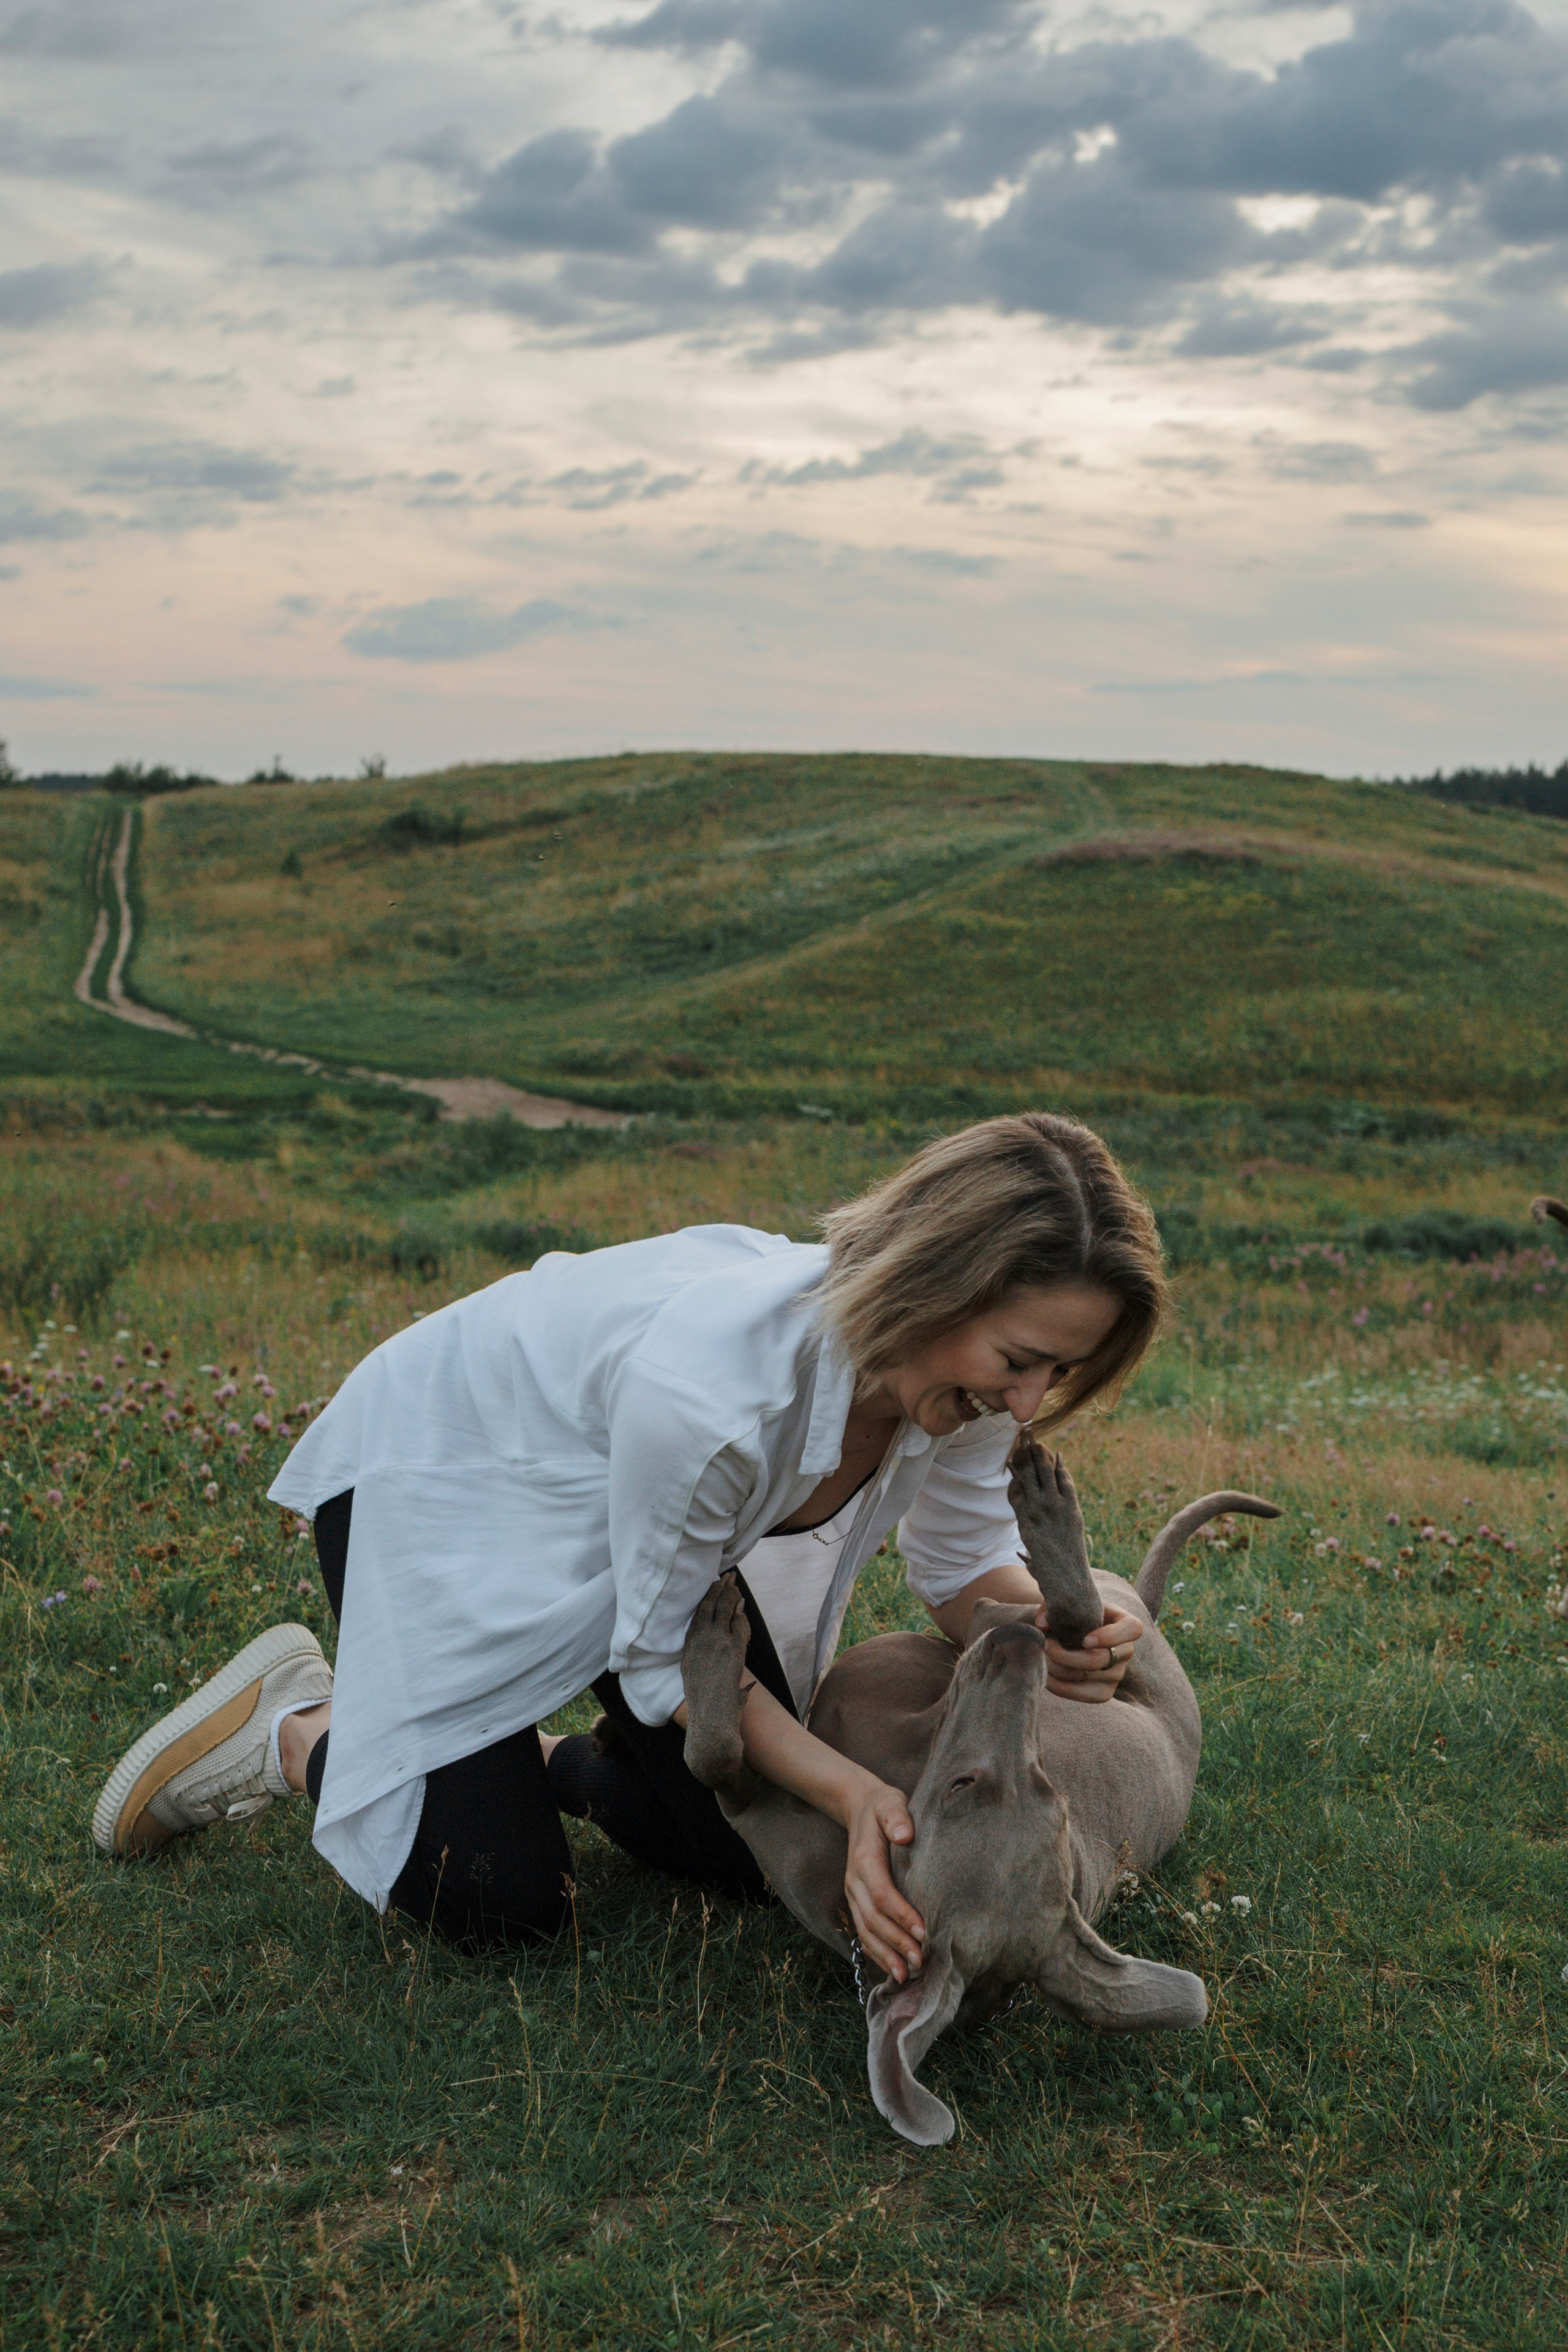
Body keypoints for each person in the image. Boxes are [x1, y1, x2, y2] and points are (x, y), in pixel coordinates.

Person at [92, 1112, 1166, 1985]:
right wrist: (855, 1794)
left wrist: (1048, 1635)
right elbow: (661, 1662)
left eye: (1060, 1372)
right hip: (450, 1489)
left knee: (745, 1852)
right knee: (500, 1899)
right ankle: (299, 1725)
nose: (1029, 1402)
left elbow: (960, 1564)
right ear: (935, 1284)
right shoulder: (717, 1395)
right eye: (1020, 1360)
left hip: (641, 1539)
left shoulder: (965, 1392)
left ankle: (530, 1757)